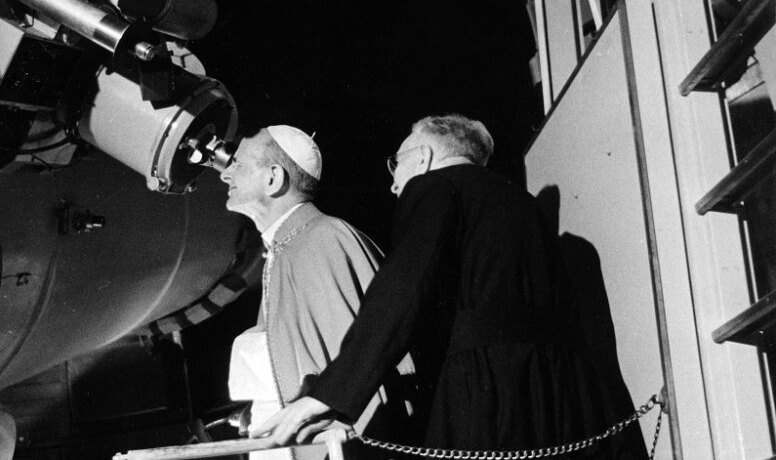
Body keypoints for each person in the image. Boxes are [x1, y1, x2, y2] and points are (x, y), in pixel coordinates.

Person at [252, 114, 648, 459]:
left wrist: (328, 394)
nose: (394, 185)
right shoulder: (528, 210)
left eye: (396, 166)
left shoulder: (435, 187)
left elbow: (402, 292)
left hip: (486, 396)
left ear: (421, 157)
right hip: (567, 402)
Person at [220, 125, 412, 460]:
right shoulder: (285, 249)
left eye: (238, 164)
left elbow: (361, 369)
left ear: (273, 179)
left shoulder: (323, 239)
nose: (225, 175)